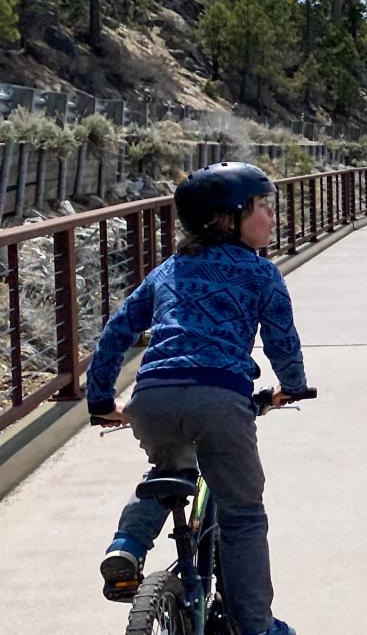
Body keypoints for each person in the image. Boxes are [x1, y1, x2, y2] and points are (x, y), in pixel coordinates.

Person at [86, 162, 306, 635]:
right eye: (262, 207)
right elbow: (282, 342)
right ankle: (257, 626)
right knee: (243, 513)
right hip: (220, 399)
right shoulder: (261, 274)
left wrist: (101, 399)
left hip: (153, 398)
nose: (272, 217)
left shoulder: (168, 270)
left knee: (167, 473)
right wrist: (292, 384)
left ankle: (126, 545)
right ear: (226, 218)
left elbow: (116, 332)